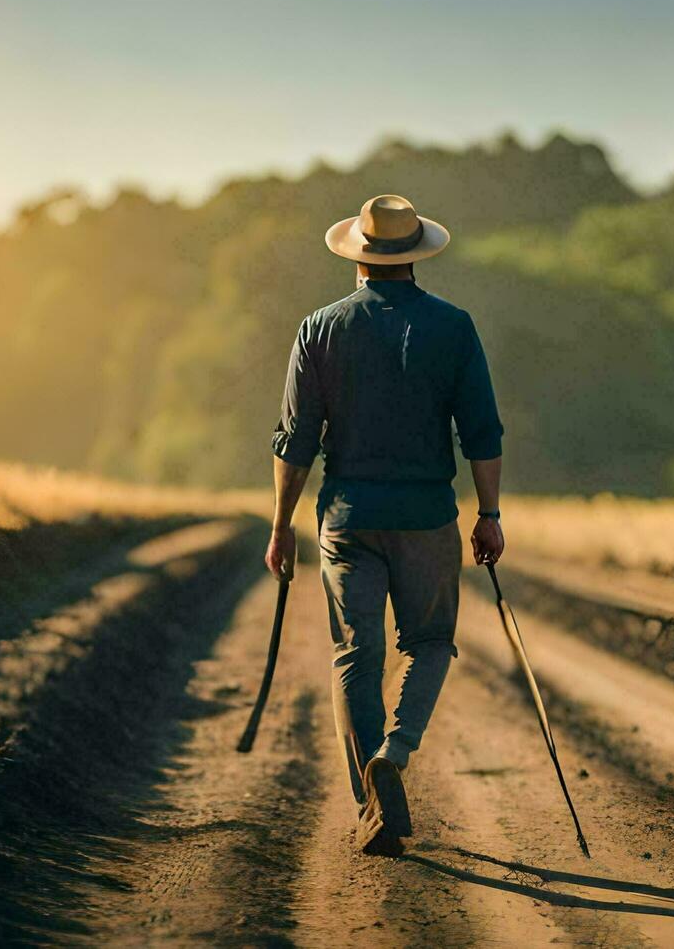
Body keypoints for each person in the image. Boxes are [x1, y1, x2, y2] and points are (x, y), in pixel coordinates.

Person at [266, 194, 506, 857]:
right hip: (428, 517)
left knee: (356, 656)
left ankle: (371, 809)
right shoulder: (454, 328)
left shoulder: (318, 329)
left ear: (358, 258)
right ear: (415, 256)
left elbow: (296, 441)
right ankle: (394, 757)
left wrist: (281, 525)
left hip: (346, 519)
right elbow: (481, 433)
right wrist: (488, 514)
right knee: (429, 644)